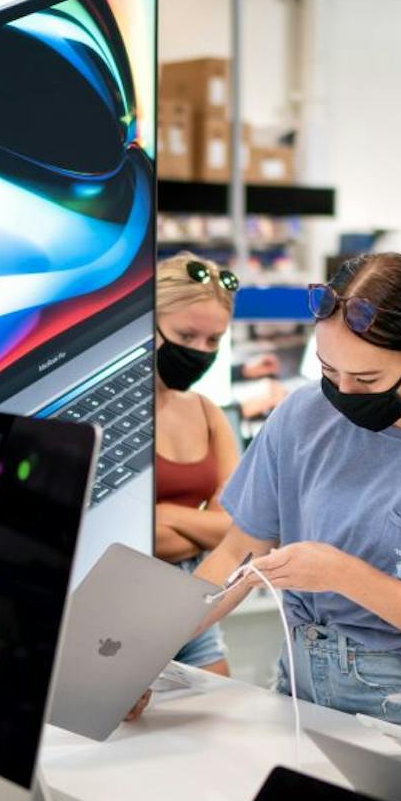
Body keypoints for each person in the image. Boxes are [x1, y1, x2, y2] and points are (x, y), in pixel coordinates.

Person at [195, 252, 401, 748]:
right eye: (328, 371)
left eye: (367, 380)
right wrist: (147, 654)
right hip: (296, 697)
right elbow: (236, 554)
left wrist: (341, 575)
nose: (342, 393)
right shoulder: (301, 416)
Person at [151, 251, 241, 678]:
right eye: (185, 336)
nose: (199, 352)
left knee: (216, 725)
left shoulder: (207, 412)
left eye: (212, 342)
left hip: (196, 589)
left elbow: (240, 528)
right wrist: (204, 529)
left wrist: (165, 515)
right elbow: (122, 535)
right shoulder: (110, 411)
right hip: (121, 594)